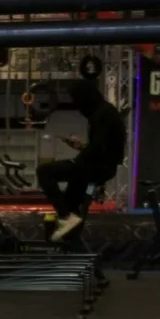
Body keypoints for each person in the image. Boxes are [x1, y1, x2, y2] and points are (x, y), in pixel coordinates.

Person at [36, 70, 126, 241]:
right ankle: (70, 233)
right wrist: (82, 148)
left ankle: (65, 217)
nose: (77, 106)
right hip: (99, 165)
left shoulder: (103, 114)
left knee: (44, 172)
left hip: (98, 168)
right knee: (71, 200)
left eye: (78, 101)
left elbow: (99, 148)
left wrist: (77, 161)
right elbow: (102, 146)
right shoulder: (104, 111)